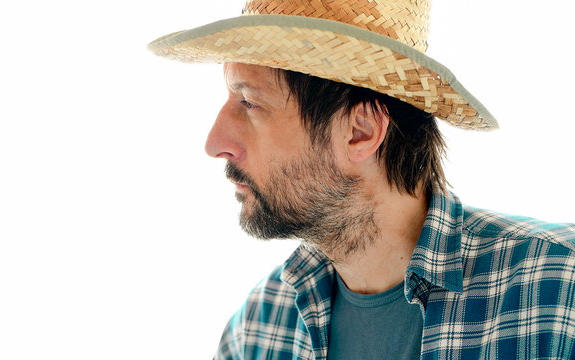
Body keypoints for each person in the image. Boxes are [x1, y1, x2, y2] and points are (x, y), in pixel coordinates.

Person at [148, 0, 575, 358]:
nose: (215, 142)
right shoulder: (257, 330)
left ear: (361, 132)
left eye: (250, 103)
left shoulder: (558, 288)